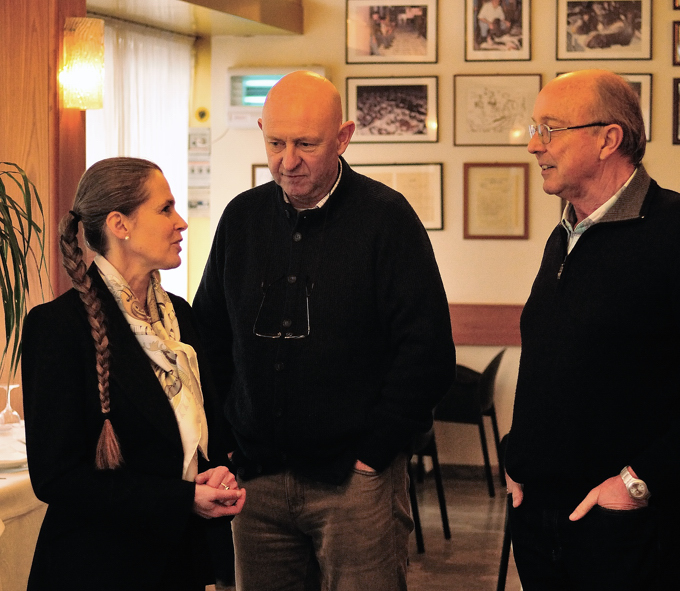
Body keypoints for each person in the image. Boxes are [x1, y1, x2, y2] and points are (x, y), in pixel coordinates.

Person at [504, 70, 680, 591]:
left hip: (625, 529)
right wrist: (519, 459)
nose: (534, 144)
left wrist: (636, 482)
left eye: (550, 129)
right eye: (534, 127)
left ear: (609, 139)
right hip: (539, 517)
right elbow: (555, 364)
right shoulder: (565, 234)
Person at [192, 71, 455, 591]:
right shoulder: (241, 219)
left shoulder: (386, 219)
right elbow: (208, 341)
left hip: (355, 482)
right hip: (256, 480)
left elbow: (425, 351)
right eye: (275, 143)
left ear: (344, 137)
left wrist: (374, 454)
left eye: (306, 144)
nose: (288, 161)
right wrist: (223, 444)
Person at [22, 157, 245, 591]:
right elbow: (57, 479)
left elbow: (200, 435)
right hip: (99, 568)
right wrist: (183, 500)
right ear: (119, 225)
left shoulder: (181, 317)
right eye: (165, 209)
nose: (180, 222)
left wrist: (216, 470)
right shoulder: (57, 328)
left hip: (182, 563)